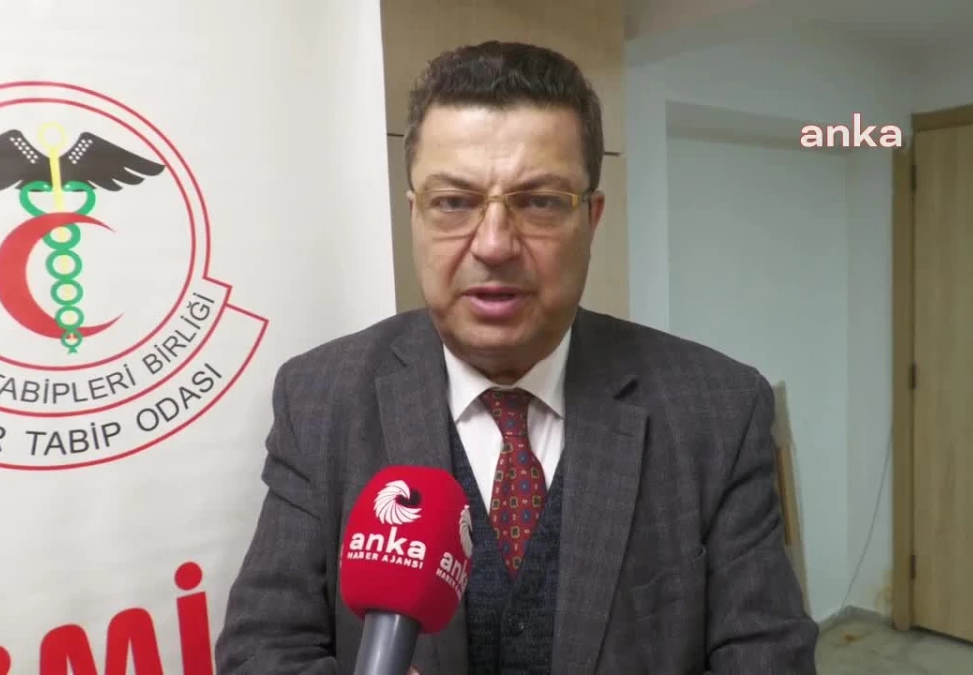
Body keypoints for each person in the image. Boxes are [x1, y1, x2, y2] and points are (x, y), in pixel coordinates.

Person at [214, 40, 818, 674]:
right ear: (415, 215)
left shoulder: (718, 411)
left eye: (540, 202)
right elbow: (260, 652)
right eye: (454, 202)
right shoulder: (319, 399)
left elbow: (768, 657)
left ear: (592, 219)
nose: (495, 244)